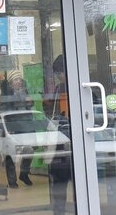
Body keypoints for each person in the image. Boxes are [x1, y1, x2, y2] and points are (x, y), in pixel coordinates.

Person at [0, 70, 32, 187]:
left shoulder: (25, 92)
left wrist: (30, 102)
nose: (18, 82)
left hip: (26, 127)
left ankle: (24, 173)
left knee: (29, 151)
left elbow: (29, 109)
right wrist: (8, 128)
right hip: (13, 128)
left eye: (19, 79)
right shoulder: (5, 95)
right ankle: (12, 181)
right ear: (10, 83)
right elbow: (4, 111)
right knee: (11, 154)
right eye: (15, 80)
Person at [48, 56, 71, 215]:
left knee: (62, 178)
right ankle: (59, 210)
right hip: (61, 138)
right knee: (60, 178)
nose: (58, 76)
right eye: (57, 73)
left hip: (66, 137)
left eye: (59, 73)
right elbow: (53, 113)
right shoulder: (58, 89)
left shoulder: (68, 87)